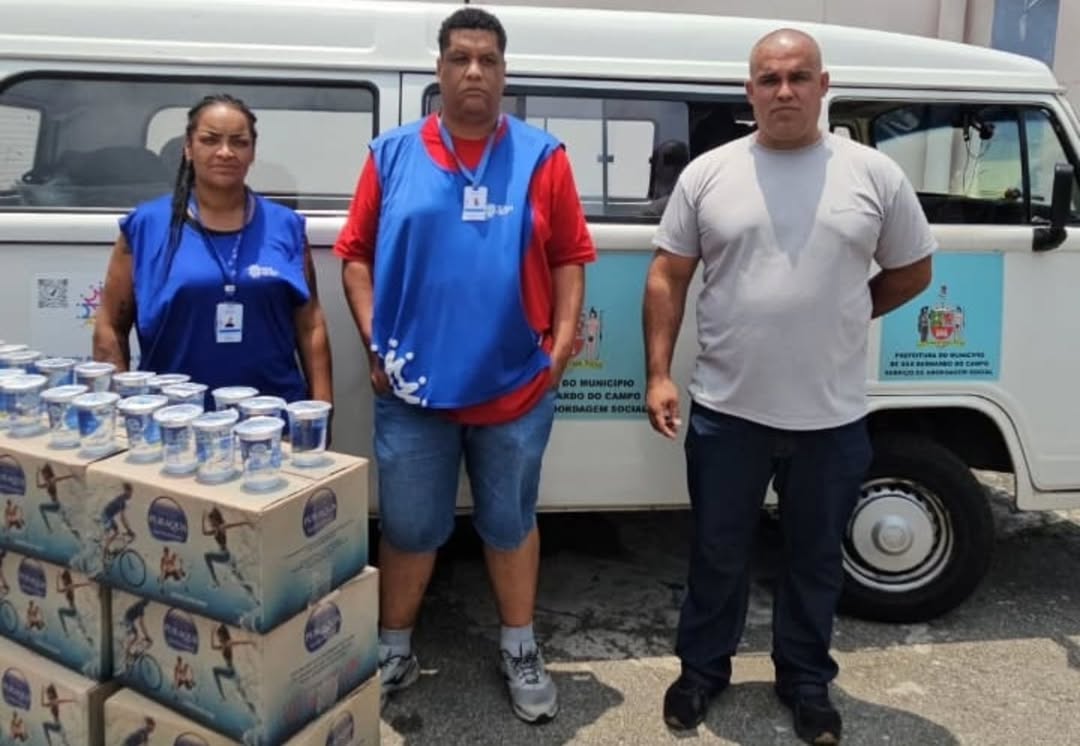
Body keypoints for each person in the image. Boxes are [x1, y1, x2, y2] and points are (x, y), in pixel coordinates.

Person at [643, 28, 934, 744]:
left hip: (830, 418)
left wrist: (848, 310)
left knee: (815, 559)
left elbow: (913, 271)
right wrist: (658, 373)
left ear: (823, 85)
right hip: (727, 412)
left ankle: (805, 680)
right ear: (749, 91)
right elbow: (667, 276)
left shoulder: (873, 175)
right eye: (769, 79)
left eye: (798, 77)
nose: (783, 91)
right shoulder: (709, 174)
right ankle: (701, 672)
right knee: (717, 553)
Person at [335, 6, 594, 723]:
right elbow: (354, 255)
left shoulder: (543, 157)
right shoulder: (390, 155)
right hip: (414, 392)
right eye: (460, 58)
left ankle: (520, 646)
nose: (474, 71)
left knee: (510, 524)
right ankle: (393, 648)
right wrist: (375, 341)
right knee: (410, 528)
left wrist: (559, 349)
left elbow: (570, 257)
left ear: (504, 73)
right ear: (440, 70)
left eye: (488, 59)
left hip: (516, 389)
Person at [93, 94, 332, 409]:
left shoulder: (286, 226)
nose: (225, 152)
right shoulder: (147, 226)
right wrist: (122, 413)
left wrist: (321, 411)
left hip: (272, 419)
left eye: (239, 142)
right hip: (173, 420)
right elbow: (110, 327)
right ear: (189, 148)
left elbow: (310, 325)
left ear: (252, 152)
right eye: (210, 140)